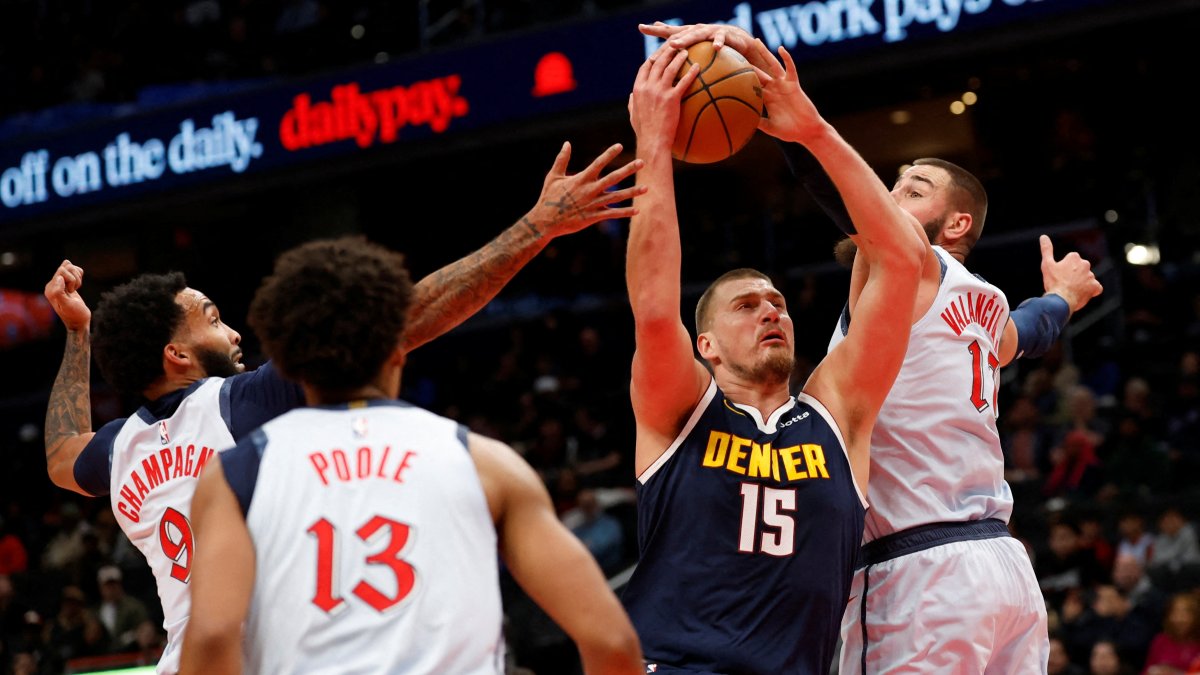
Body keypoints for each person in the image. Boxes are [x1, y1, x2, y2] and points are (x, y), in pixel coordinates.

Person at [41, 142, 644, 675]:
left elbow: (61, 453)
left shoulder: (119, 449)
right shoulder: (240, 402)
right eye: (214, 319)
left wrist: (77, 334)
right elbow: (395, 318)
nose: (234, 335)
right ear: (176, 354)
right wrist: (535, 227)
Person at [640, 20, 1104, 674]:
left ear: (957, 222)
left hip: (918, 571)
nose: (888, 196)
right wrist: (1061, 298)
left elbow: (863, 219)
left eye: (912, 190)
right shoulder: (984, 301)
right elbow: (1024, 336)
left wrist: (800, 131)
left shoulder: (910, 270)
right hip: (1002, 570)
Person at [176, 236, 642, 675]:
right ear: (399, 349)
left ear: (285, 362)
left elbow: (215, 636)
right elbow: (611, 640)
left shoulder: (236, 475)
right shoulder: (485, 463)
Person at [619, 36, 927, 674]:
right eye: (746, 305)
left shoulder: (837, 413)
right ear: (704, 345)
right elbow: (653, 306)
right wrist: (655, 143)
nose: (771, 310)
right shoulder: (681, 409)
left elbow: (902, 261)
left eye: (778, 302)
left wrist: (812, 130)